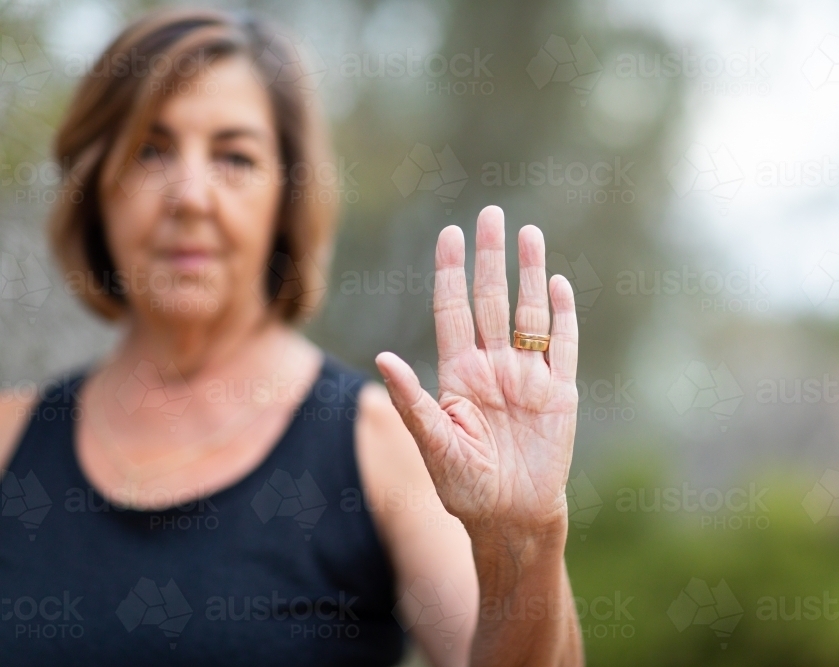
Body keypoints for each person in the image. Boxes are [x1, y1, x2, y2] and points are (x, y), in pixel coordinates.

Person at [0, 9, 583, 667]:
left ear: (286, 196)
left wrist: (524, 541)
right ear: (95, 187)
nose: (190, 195)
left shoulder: (378, 446)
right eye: (150, 150)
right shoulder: (10, 440)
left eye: (235, 156)